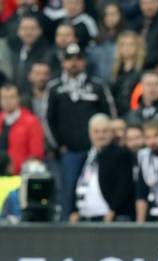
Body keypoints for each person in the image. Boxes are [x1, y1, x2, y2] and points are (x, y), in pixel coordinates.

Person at [47, 43, 116, 221]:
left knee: (100, 188)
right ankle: (66, 228)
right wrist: (58, 145)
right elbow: (47, 120)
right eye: (69, 59)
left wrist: (107, 143)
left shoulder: (97, 86)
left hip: (97, 150)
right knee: (68, 190)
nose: (73, 63)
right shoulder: (54, 88)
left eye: (77, 59)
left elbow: (110, 114)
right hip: (69, 150)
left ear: (84, 62)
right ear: (63, 63)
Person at [70, 114, 134, 223]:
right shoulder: (86, 156)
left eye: (104, 131)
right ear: (90, 134)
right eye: (96, 132)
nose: (100, 135)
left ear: (111, 133)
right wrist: (74, 210)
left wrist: (113, 209)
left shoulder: (121, 154)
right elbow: (77, 183)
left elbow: (124, 184)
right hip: (84, 217)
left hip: (109, 217)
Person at [0, 83, 44, 175]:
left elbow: (36, 154)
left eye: (12, 97)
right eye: (4, 98)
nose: (8, 101)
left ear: (18, 98)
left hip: (21, 176)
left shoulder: (31, 122)